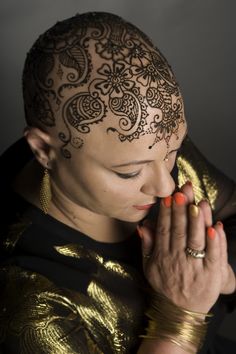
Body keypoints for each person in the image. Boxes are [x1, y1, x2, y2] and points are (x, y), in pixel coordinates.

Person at [0, 11, 236, 354]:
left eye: (174, 149)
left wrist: (221, 272)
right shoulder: (25, 295)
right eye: (128, 172)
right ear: (43, 150)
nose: (165, 186)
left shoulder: (146, 145)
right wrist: (179, 316)